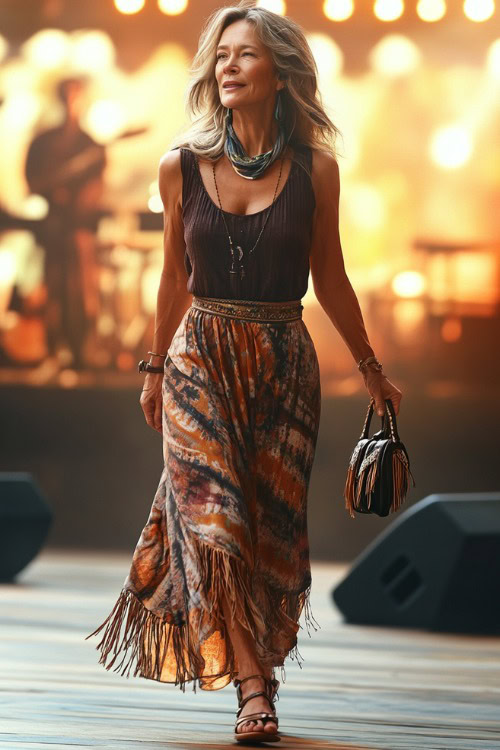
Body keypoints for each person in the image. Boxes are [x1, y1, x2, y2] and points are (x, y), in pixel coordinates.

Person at [85, 2, 402, 744]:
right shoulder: (180, 165)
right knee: (215, 523)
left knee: (266, 532)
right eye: (220, 54)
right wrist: (154, 367)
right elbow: (171, 279)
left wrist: (373, 368)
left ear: (281, 73)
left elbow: (333, 279)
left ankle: (258, 662)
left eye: (246, 55)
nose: (227, 66)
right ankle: (253, 690)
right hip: (200, 360)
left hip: (284, 366)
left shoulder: (317, 171)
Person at [25, 76, 106, 369]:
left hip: (79, 230)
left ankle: (80, 352)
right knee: (53, 288)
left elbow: (95, 189)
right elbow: (32, 181)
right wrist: (54, 192)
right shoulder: (43, 142)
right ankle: (51, 350)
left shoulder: (91, 145)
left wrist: (78, 203)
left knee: (81, 292)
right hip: (52, 230)